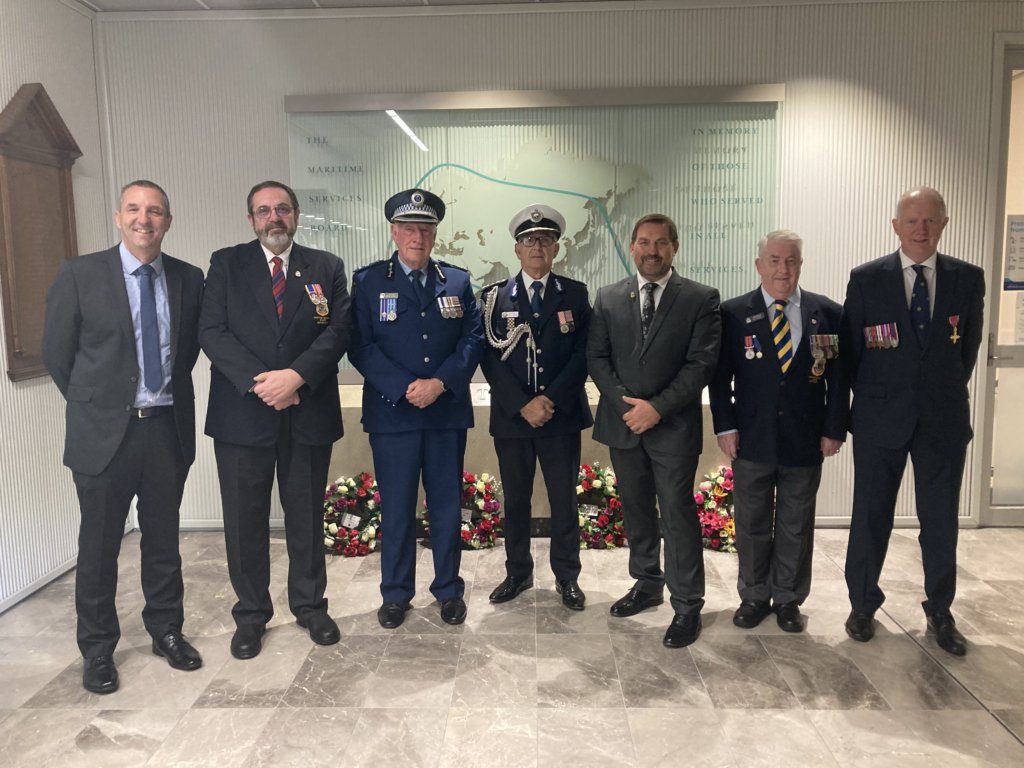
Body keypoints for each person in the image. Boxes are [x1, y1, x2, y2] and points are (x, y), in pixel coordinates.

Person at [42, 180, 204, 694]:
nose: (144, 219)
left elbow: (186, 355)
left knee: (163, 542)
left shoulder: (188, 278)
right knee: (99, 547)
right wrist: (101, 402)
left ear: (168, 221)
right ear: (118, 217)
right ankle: (96, 649)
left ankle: (166, 631)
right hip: (103, 436)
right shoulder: (80, 273)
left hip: (165, 431)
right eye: (134, 209)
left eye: (155, 211)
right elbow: (57, 354)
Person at [199, 180, 350, 660]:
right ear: (251, 220)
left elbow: (340, 330)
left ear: (297, 215)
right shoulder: (226, 264)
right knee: (245, 521)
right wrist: (263, 382)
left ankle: (310, 606)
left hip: (307, 412)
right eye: (263, 211)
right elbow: (212, 331)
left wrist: (296, 378)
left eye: (282, 209)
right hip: (244, 415)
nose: (274, 218)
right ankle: (251, 615)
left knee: (305, 515)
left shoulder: (326, 267)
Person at [842, 186, 984, 656]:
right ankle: (863, 604)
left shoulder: (968, 279)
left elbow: (965, 353)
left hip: (941, 421)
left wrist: (934, 393)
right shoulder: (867, 280)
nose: (921, 229)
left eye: (930, 220)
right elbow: (853, 356)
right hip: (880, 419)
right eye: (912, 220)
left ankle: (940, 609)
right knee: (870, 515)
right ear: (896, 226)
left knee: (940, 521)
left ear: (943, 224)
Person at [348, 188, 484, 629]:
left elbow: (472, 340)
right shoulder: (368, 282)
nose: (417, 236)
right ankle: (396, 595)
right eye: (409, 228)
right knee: (398, 509)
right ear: (394, 232)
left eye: (425, 229)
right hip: (394, 415)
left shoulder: (458, 282)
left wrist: (439, 383)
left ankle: (448, 591)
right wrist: (407, 387)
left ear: (434, 234)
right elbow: (360, 346)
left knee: (446, 506)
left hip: (444, 414)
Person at [587, 213, 721, 648]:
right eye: (644, 242)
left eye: (661, 243)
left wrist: (656, 409)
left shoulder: (700, 299)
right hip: (624, 424)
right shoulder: (608, 298)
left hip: (673, 428)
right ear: (631, 247)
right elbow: (597, 358)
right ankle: (646, 584)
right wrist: (629, 407)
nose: (651, 250)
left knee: (677, 515)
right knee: (637, 508)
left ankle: (686, 605)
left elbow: (701, 364)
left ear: (675, 247)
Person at [709, 230, 846, 633]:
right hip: (751, 438)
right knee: (750, 521)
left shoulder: (828, 314)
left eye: (791, 260)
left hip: (806, 439)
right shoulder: (734, 314)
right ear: (759, 265)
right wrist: (725, 426)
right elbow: (720, 380)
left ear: (801, 264)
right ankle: (753, 595)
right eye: (774, 260)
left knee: (796, 522)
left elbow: (838, 381)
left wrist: (834, 429)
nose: (782, 269)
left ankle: (787, 598)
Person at [479, 204, 592, 610]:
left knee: (564, 498)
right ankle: (517, 572)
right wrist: (523, 404)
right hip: (513, 419)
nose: (537, 246)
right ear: (516, 248)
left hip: (560, 416)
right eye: (529, 240)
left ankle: (567, 577)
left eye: (545, 239)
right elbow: (488, 357)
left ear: (556, 247)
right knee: (517, 500)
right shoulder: (492, 297)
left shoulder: (575, 295)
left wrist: (549, 400)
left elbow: (584, 354)